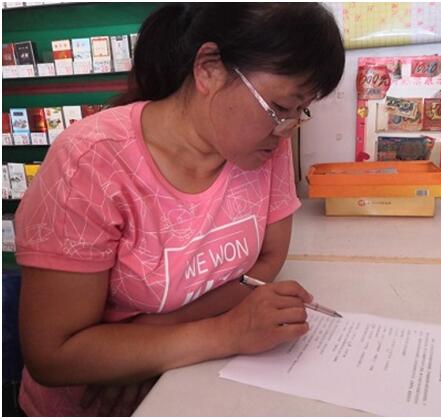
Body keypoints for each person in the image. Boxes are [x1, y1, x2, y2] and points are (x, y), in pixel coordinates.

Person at [15, 3, 345, 416]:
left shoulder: (265, 149)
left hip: (197, 384)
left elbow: (268, 258)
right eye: (279, 107)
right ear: (209, 69)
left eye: (301, 111)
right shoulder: (90, 163)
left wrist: (153, 339)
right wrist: (225, 332)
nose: (286, 129)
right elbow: (53, 356)